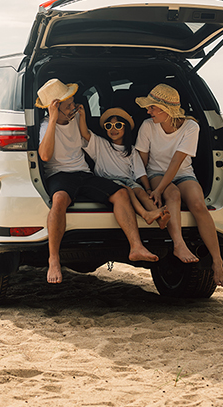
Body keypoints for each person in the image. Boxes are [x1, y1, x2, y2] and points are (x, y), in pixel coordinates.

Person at [36, 79, 158, 284]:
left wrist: (80, 117)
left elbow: (87, 138)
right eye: (69, 105)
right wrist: (53, 119)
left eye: (73, 102)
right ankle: (54, 259)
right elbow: (45, 156)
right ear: (55, 107)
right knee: (59, 201)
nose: (74, 106)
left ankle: (136, 247)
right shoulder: (45, 126)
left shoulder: (76, 118)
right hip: (60, 175)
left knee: (121, 193)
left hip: (84, 173)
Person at [134, 84, 223, 287]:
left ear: (166, 110)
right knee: (174, 195)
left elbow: (177, 162)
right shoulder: (148, 126)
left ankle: (217, 261)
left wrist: (159, 190)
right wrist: (147, 187)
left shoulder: (191, 127)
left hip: (183, 173)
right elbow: (141, 159)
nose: (148, 111)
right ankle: (179, 244)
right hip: (156, 173)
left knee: (198, 205)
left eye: (152, 107)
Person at [76, 106, 170, 228]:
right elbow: (85, 133)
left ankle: (159, 218)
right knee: (127, 191)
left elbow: (140, 173)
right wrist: (82, 115)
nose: (113, 129)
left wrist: (148, 189)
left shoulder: (132, 150)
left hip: (129, 181)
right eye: (108, 126)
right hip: (109, 181)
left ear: (126, 128)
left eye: (118, 125)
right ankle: (145, 214)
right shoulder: (100, 144)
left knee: (140, 192)